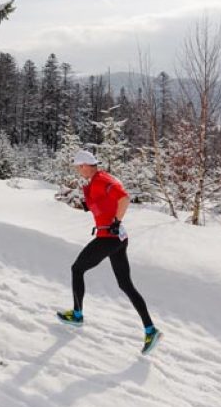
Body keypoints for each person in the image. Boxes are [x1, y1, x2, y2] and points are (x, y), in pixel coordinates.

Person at [57, 149, 162, 355]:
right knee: (125, 284)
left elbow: (124, 199)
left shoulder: (101, 179)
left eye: (79, 167)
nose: (78, 171)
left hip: (109, 238)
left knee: (77, 269)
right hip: (117, 239)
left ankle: (77, 315)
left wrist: (116, 222)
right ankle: (151, 330)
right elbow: (94, 207)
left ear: (86, 165)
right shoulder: (96, 181)